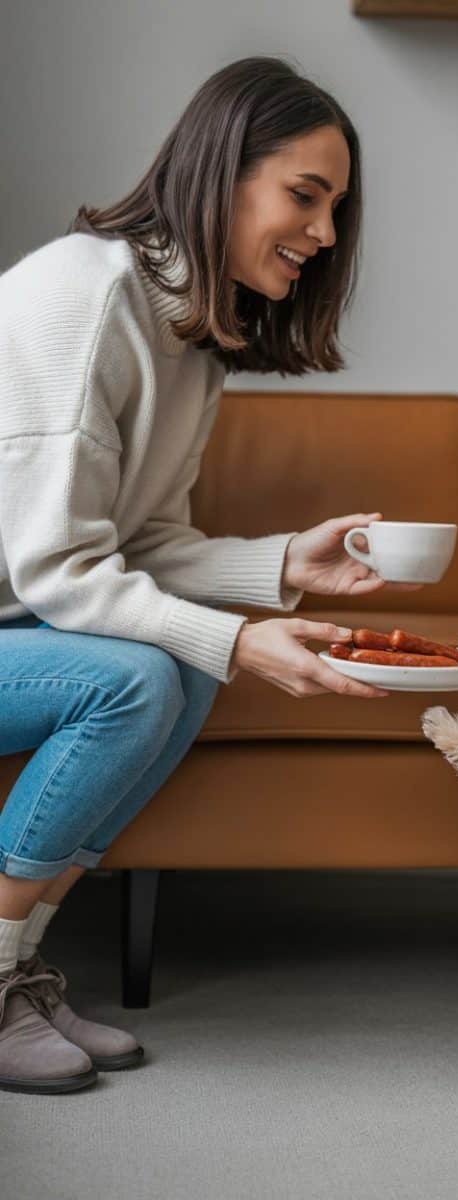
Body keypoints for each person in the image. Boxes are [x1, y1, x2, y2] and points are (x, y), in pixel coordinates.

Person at [0, 56, 416, 1095]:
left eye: (335, 207)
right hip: (24, 616)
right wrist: (234, 635)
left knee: (183, 669)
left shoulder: (190, 333)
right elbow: (56, 570)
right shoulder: (85, 296)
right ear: (221, 172)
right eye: (303, 196)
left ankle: (16, 973)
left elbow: (139, 545)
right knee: (139, 673)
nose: (323, 234)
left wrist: (284, 565)